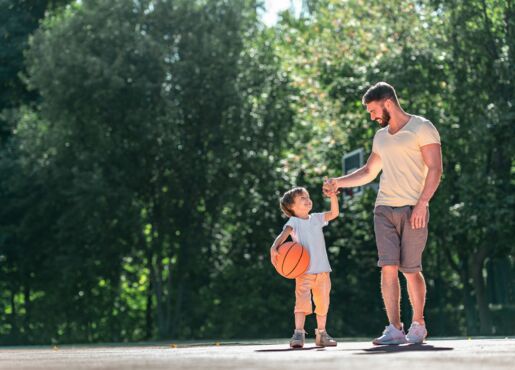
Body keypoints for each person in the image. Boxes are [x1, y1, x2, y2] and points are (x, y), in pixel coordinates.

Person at [324, 82, 442, 344]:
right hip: (384, 208)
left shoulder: (421, 127)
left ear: (387, 102)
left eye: (373, 110)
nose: (372, 116)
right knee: (387, 267)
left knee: (410, 269)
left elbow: (435, 169)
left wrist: (423, 203)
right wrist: (338, 182)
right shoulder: (381, 137)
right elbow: (368, 172)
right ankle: (394, 328)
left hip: (414, 208)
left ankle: (418, 324)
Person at [270, 184, 339, 348]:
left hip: (323, 271)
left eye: (308, 197)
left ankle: (321, 334)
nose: (308, 200)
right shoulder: (293, 221)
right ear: (291, 207)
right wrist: (274, 247)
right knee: (301, 304)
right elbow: (283, 235)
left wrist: (333, 197)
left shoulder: (316, 218)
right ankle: (298, 333)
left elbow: (334, 213)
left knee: (323, 304)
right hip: (304, 272)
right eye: (302, 198)